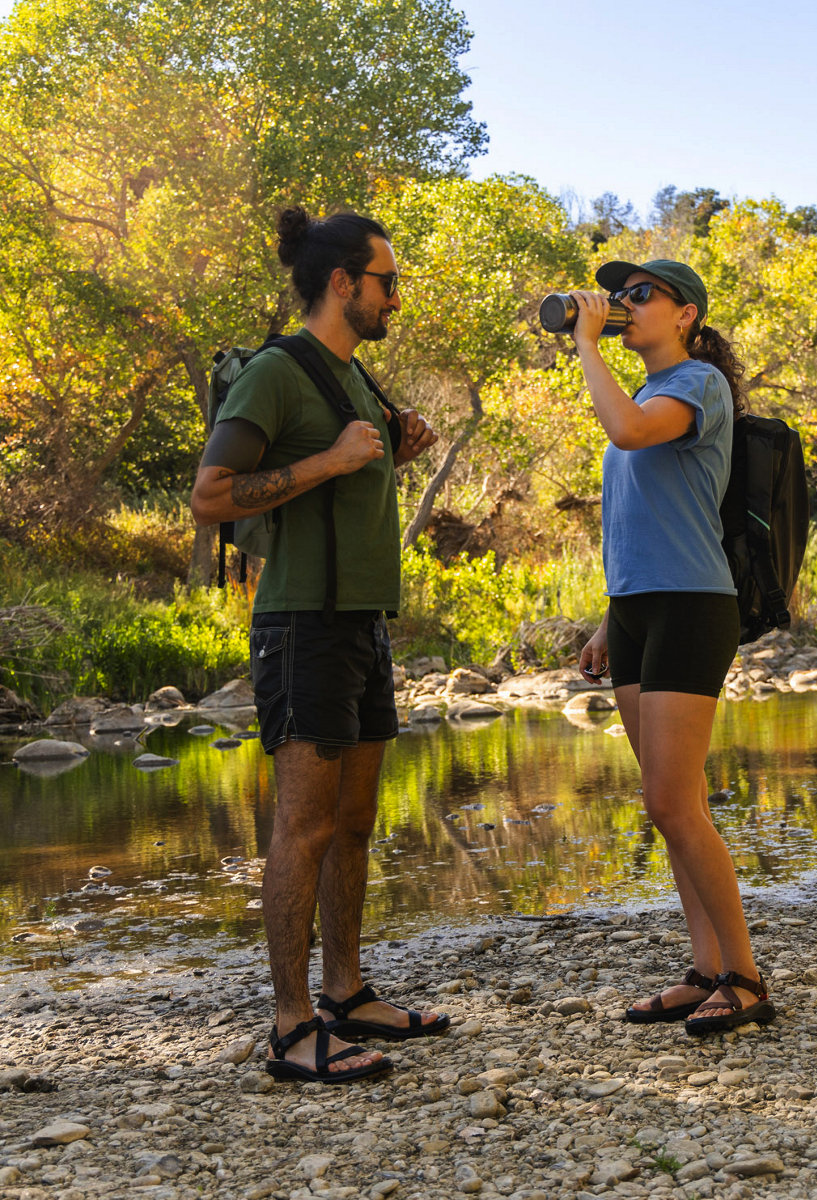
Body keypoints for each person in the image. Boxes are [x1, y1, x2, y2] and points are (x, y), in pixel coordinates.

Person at [190, 207, 447, 1083]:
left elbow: (352, 467)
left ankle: (345, 992)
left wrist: (394, 449)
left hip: (362, 622)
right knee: (302, 828)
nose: (396, 298)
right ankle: (291, 1026)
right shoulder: (275, 372)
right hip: (301, 626)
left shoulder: (353, 373)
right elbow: (212, 496)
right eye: (387, 282)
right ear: (343, 283)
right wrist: (329, 463)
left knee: (355, 823)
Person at [573, 259, 776, 1035]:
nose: (624, 305)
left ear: (685, 314)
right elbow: (639, 518)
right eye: (619, 296)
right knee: (673, 807)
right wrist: (607, 619)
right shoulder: (643, 394)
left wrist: (588, 341)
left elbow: (626, 429)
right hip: (635, 610)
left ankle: (747, 976)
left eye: (640, 295)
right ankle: (704, 970)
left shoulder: (696, 386)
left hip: (694, 605)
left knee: (671, 800)